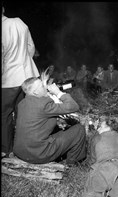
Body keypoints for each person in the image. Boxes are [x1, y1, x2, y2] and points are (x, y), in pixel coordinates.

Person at [13, 76, 87, 164]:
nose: (46, 87)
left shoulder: (21, 103)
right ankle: (73, 164)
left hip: (20, 151)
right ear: (36, 92)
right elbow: (73, 106)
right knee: (79, 129)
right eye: (42, 86)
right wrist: (58, 92)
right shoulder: (43, 104)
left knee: (59, 130)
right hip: (38, 154)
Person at [2, 6, 40, 156]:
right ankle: (23, 148)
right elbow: (31, 48)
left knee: (4, 114)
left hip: (8, 79)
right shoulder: (19, 22)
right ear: (3, 9)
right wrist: (22, 61)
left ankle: (5, 149)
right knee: (22, 113)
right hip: (27, 76)